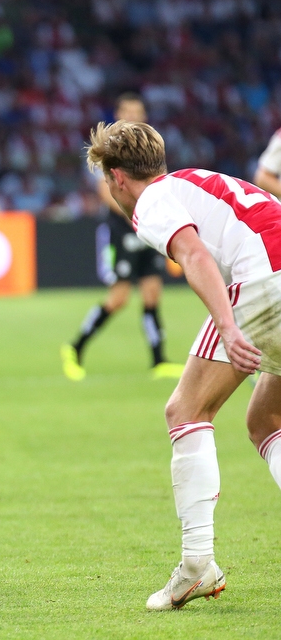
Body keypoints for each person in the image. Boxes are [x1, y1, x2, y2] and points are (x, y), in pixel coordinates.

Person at [86, 119, 281, 610]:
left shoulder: (152, 201)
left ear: (117, 178)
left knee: (186, 410)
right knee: (267, 420)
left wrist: (230, 325)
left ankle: (198, 565)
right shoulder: (193, 182)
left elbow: (193, 253)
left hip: (265, 286)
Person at [61, 94, 184, 381]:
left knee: (152, 293)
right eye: (128, 111)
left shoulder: (148, 148)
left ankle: (158, 360)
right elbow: (105, 192)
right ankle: (75, 347)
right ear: (117, 114)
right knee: (119, 298)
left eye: (138, 112)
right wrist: (138, 218)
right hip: (121, 229)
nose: (134, 116)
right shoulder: (107, 148)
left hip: (146, 228)